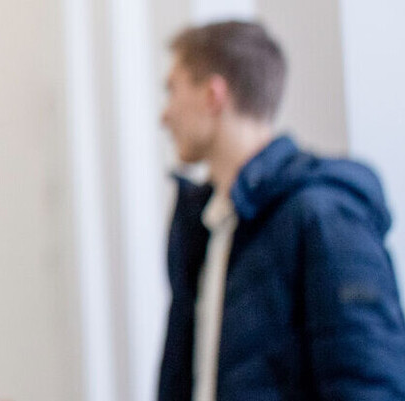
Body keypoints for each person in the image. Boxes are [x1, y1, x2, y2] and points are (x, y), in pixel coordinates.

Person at [155, 20, 405, 401]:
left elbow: (369, 383)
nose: (165, 115)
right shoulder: (210, 225)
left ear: (213, 95)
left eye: (172, 91)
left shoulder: (324, 214)